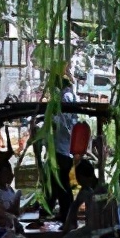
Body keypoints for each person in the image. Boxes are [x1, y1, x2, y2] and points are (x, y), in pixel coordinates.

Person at [51, 76, 78, 222]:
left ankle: (66, 214)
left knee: (62, 183)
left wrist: (51, 120)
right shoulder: (69, 95)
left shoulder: (66, 96)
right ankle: (64, 212)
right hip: (62, 146)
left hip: (62, 147)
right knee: (61, 183)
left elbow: (64, 121)